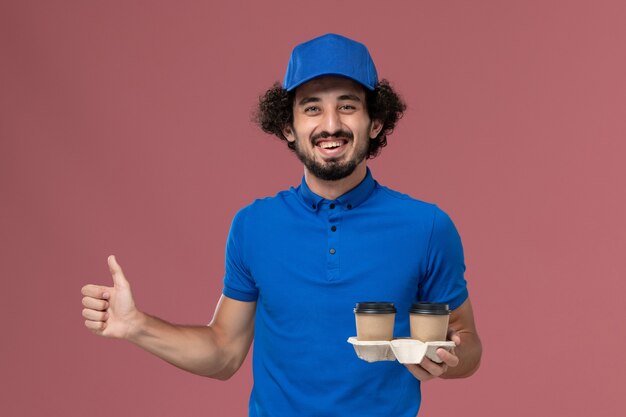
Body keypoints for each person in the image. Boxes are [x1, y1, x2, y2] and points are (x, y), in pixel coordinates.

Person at [81, 33, 482, 416]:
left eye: (347, 106)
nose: (330, 125)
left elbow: (469, 346)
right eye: (312, 108)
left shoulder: (427, 226)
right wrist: (136, 325)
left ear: (374, 122)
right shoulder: (253, 226)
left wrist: (449, 357)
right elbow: (224, 352)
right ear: (288, 128)